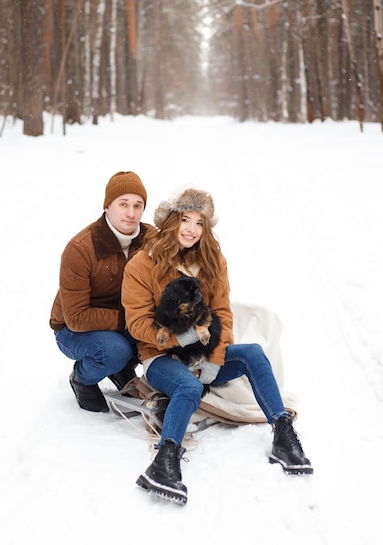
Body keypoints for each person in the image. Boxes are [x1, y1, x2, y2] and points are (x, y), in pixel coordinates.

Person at [121, 186, 313, 505]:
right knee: (187, 387)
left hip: (203, 353)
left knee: (253, 353)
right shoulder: (142, 264)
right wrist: (185, 338)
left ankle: (283, 435)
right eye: (185, 219)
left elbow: (222, 311)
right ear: (171, 221)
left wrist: (215, 357)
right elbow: (138, 325)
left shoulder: (212, 260)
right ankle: (163, 462)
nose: (191, 229)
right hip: (159, 356)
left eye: (199, 223)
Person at [50, 171, 152, 413]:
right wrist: (132, 322)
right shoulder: (81, 249)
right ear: (107, 206)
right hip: (72, 329)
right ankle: (82, 378)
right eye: (123, 204)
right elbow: (76, 318)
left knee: (155, 337)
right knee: (115, 350)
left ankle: (121, 368)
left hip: (122, 322)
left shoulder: (151, 239)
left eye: (138, 205)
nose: (131, 213)